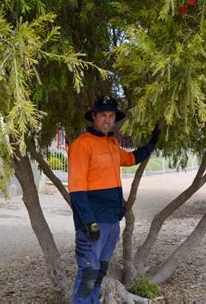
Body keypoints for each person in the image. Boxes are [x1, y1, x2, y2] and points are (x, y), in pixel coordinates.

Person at [68, 95, 159, 303]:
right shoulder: (82, 145)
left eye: (111, 116)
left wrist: (151, 145)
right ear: (94, 116)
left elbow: (130, 159)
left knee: (100, 271)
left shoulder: (111, 144)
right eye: (103, 115)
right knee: (88, 272)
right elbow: (77, 189)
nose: (107, 120)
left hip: (111, 221)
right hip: (93, 223)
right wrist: (88, 222)